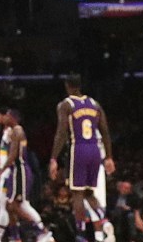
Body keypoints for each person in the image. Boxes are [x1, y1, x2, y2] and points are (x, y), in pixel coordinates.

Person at [54, 79, 116, 242]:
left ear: (67, 86)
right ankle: (104, 223)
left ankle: (81, 235)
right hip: (95, 149)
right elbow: (105, 132)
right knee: (89, 193)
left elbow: (62, 133)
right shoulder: (95, 104)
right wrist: (109, 157)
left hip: (79, 148)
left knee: (77, 194)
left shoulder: (66, 104)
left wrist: (53, 157)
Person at [0, 106, 49, 242]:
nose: (4, 118)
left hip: (19, 170)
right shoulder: (13, 131)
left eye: (6, 116)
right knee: (8, 206)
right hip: (15, 171)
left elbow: (13, 155)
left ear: (12, 117)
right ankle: (15, 237)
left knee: (16, 206)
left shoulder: (16, 131)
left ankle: (42, 232)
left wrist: (1, 171)